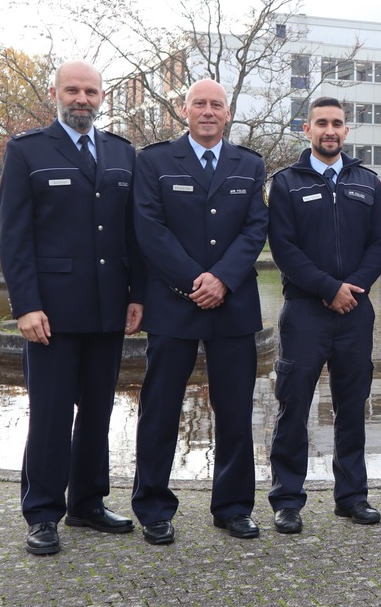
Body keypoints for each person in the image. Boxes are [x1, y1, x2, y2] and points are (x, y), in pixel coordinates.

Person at [0, 60, 143, 555]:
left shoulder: (122, 153)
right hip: (51, 314)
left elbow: (133, 233)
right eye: (73, 90)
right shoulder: (27, 150)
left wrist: (138, 294)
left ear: (103, 97)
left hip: (107, 307)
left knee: (98, 412)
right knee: (51, 415)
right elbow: (14, 236)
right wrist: (25, 306)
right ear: (56, 93)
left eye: (91, 92)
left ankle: (87, 503)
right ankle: (42, 513)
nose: (82, 99)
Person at [130, 79, 268, 543]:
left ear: (227, 114)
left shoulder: (250, 164)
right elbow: (149, 228)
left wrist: (222, 279)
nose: (208, 111)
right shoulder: (153, 161)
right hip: (174, 303)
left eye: (216, 105)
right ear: (184, 110)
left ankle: (233, 507)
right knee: (160, 409)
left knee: (235, 410)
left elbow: (255, 229)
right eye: (199, 104)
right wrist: (195, 281)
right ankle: (153, 508)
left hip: (233, 304)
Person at [266, 97, 381, 531]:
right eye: (321, 123)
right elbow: (284, 248)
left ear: (346, 130)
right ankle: (287, 500)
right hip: (305, 312)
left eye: (337, 123)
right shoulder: (285, 183)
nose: (330, 130)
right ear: (307, 129)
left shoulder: (368, 182)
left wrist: (351, 287)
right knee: (293, 404)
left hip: (355, 310)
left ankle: (352, 497)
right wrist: (327, 288)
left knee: (352, 406)